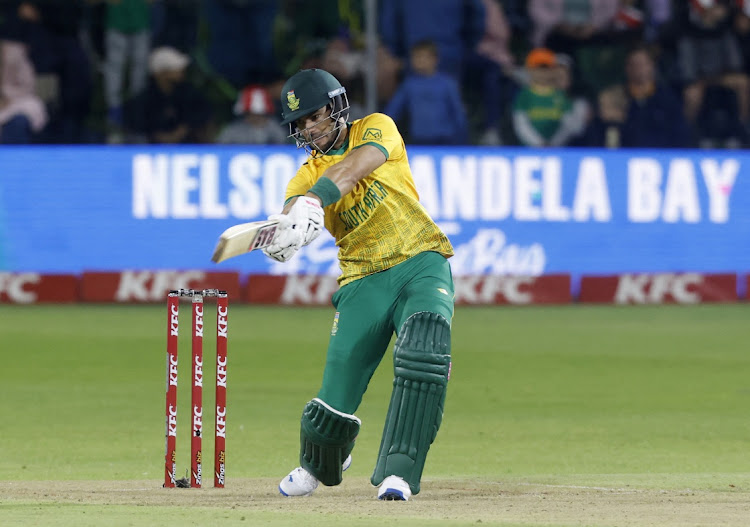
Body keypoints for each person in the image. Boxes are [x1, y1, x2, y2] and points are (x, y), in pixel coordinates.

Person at [264, 68, 455, 501]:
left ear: (335, 107)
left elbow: (355, 167)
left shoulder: (377, 127)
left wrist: (316, 198)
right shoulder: (304, 176)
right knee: (333, 400)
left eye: (314, 117)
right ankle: (318, 464)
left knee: (424, 348)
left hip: (420, 261)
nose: (309, 129)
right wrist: (286, 229)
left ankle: (399, 473)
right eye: (301, 124)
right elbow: (295, 206)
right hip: (361, 281)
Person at [384, 39, 468, 144]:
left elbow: (458, 112)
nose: (419, 61)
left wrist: (462, 139)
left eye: (423, 57)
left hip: (445, 140)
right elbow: (393, 110)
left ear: (435, 59)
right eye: (416, 57)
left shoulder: (447, 84)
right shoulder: (409, 85)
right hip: (419, 139)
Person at [123, 46, 213, 144]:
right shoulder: (143, 101)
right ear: (161, 73)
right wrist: (159, 136)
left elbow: (204, 115)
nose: (181, 71)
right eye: (174, 68)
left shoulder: (189, 93)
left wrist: (183, 130)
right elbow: (137, 128)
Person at [511, 48, 575, 147]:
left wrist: (554, 143)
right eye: (538, 68)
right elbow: (521, 124)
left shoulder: (560, 95)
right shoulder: (525, 96)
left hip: (557, 150)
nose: (543, 72)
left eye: (546, 68)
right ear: (530, 70)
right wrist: (539, 143)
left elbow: (568, 125)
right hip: (529, 151)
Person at [215, 84, 288, 144]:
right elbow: (220, 147)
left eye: (260, 115)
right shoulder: (234, 130)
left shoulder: (276, 129)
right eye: (251, 114)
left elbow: (284, 147)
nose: (256, 118)